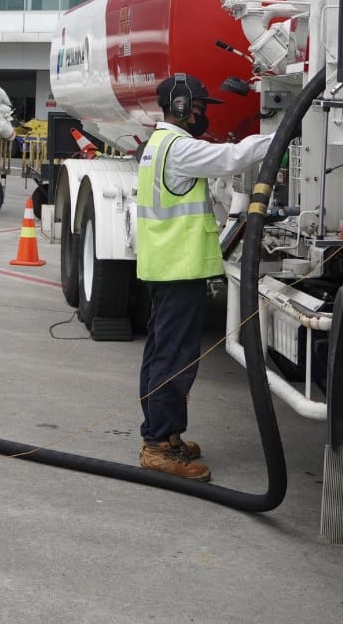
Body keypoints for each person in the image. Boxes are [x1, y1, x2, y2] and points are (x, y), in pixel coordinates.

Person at [136, 72, 273, 481]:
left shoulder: (157, 145)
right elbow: (231, 158)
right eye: (196, 108)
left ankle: (163, 434)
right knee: (175, 358)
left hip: (165, 267)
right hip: (178, 269)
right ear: (179, 106)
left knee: (161, 353)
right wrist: (281, 132)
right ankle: (159, 445)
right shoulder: (178, 148)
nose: (200, 116)